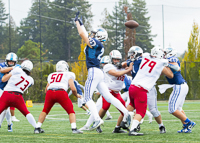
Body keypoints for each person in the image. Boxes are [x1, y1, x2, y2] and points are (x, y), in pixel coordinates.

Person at [75, 11, 132, 130]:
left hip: (93, 71)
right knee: (109, 97)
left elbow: (82, 34)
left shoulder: (95, 42)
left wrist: (76, 22)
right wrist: (82, 23)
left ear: (99, 36)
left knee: (87, 99)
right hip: (98, 72)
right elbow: (85, 33)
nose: (92, 34)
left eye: (95, 33)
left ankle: (97, 119)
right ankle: (126, 113)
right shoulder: (98, 43)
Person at [128, 47, 176, 136]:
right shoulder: (161, 63)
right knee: (141, 111)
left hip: (133, 86)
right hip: (142, 88)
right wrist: (169, 64)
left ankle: (124, 120)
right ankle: (133, 129)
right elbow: (173, 73)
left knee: (132, 105)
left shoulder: (145, 56)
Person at [34, 60, 83, 134]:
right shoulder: (69, 74)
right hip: (61, 92)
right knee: (71, 111)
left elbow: (46, 90)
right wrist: (77, 95)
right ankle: (74, 129)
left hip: (50, 92)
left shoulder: (51, 75)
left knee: (45, 111)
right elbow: (73, 88)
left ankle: (37, 128)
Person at [158, 47, 196, 133]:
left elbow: (177, 68)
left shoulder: (172, 58)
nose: (163, 55)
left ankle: (189, 122)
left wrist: (166, 64)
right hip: (181, 85)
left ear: (170, 53)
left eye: (165, 53)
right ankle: (187, 127)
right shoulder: (168, 60)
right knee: (178, 108)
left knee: (172, 109)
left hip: (179, 86)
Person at [0, 60, 38, 132]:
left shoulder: (17, 69)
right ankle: (36, 128)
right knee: (26, 112)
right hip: (18, 96)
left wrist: (9, 71)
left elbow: (4, 79)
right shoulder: (31, 80)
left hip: (7, 94)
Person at [0, 52, 18, 131]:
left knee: (5, 108)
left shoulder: (18, 67)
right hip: (1, 87)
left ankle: (8, 123)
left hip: (9, 90)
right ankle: (9, 123)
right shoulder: (2, 65)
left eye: (12, 62)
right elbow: (2, 71)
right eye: (9, 62)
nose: (10, 63)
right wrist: (13, 68)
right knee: (4, 108)